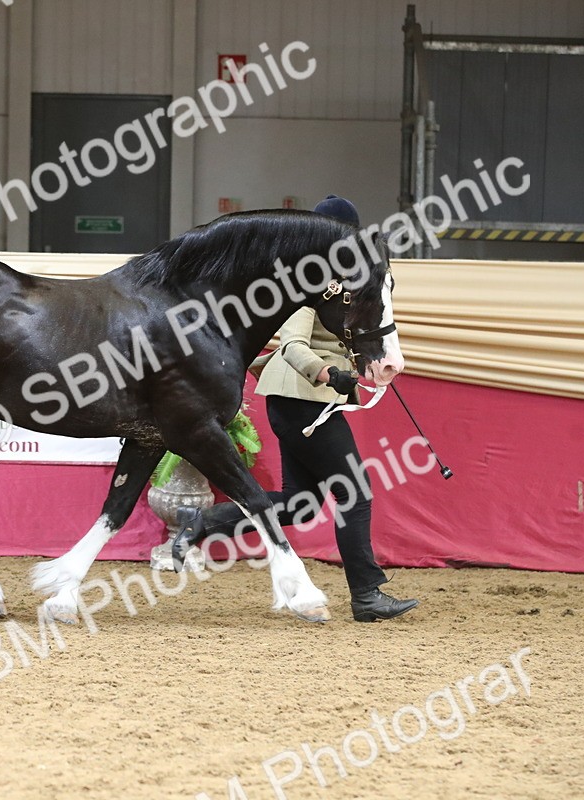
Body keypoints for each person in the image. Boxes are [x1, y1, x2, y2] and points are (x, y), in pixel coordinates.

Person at [176, 195, 419, 622]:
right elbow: (291, 345)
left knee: (299, 503)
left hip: (309, 404)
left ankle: (202, 522)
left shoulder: (347, 283)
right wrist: (328, 374)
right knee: (355, 493)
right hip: (303, 400)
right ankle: (367, 594)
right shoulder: (308, 283)